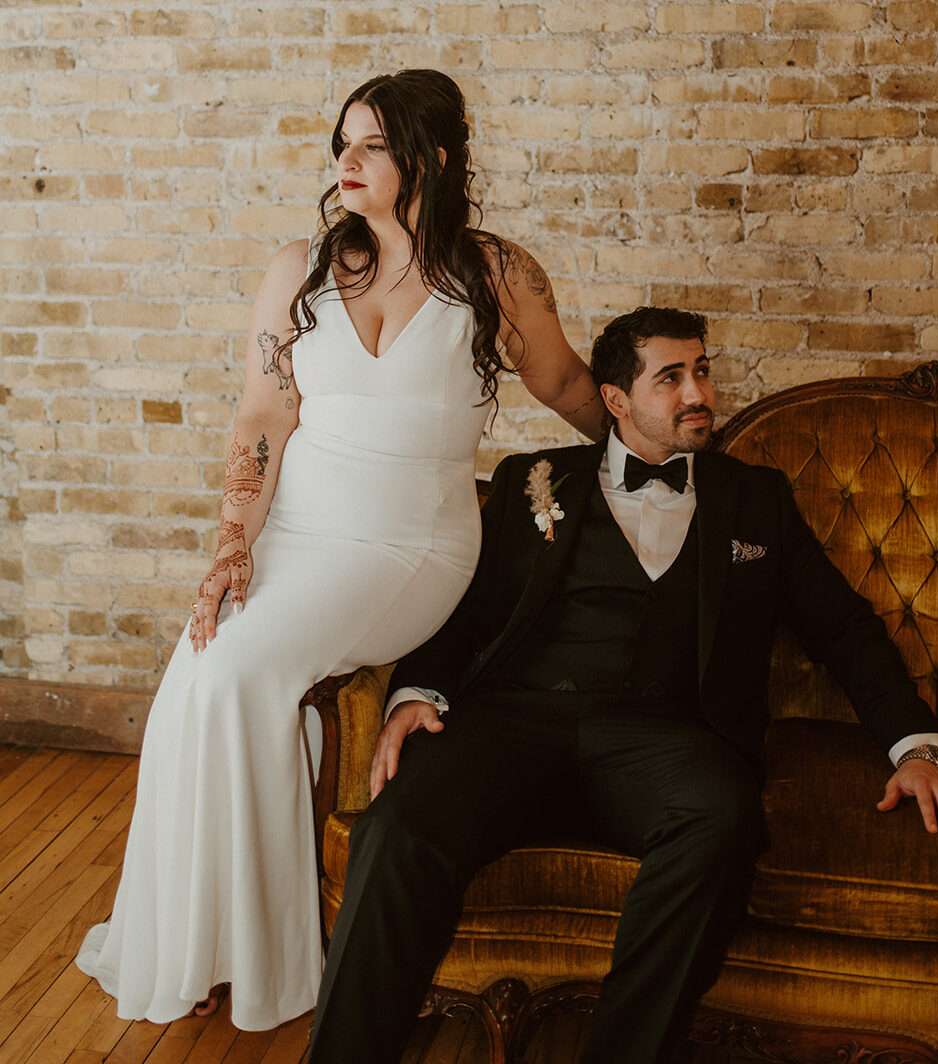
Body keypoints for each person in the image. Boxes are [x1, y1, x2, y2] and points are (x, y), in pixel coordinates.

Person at [308, 306, 938, 1063]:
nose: (698, 391)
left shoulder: (754, 498)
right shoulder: (532, 481)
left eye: (701, 370)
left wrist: (914, 747)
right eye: (671, 378)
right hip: (516, 724)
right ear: (615, 400)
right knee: (397, 827)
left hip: (670, 741)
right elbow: (464, 611)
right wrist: (415, 696)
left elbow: (844, 629)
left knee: (722, 817)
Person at [75, 69, 605, 1031]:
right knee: (199, 672)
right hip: (299, 530)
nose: (345, 162)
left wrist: (643, 444)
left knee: (237, 668)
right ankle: (213, 941)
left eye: (371, 146)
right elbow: (264, 413)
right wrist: (233, 543)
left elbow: (565, 378)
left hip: (410, 545)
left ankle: (277, 958)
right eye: (342, 144)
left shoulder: (494, 274)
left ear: (431, 160)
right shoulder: (302, 269)